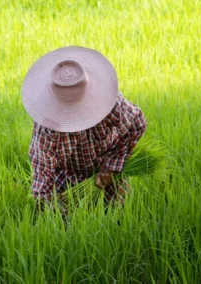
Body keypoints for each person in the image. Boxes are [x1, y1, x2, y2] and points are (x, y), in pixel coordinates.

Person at [22, 46, 147, 210]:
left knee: (114, 213)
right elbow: (43, 169)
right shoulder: (49, 126)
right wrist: (42, 203)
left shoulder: (109, 105)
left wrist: (111, 165)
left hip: (103, 168)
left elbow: (137, 123)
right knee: (65, 217)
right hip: (66, 173)